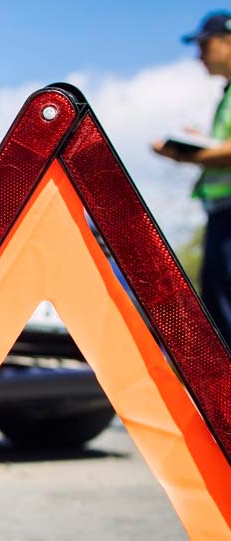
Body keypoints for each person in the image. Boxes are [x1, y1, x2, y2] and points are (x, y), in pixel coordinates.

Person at [154, 11, 231, 345]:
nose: (199, 55)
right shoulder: (226, 96)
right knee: (218, 308)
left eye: (204, 45)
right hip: (220, 215)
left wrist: (187, 154)